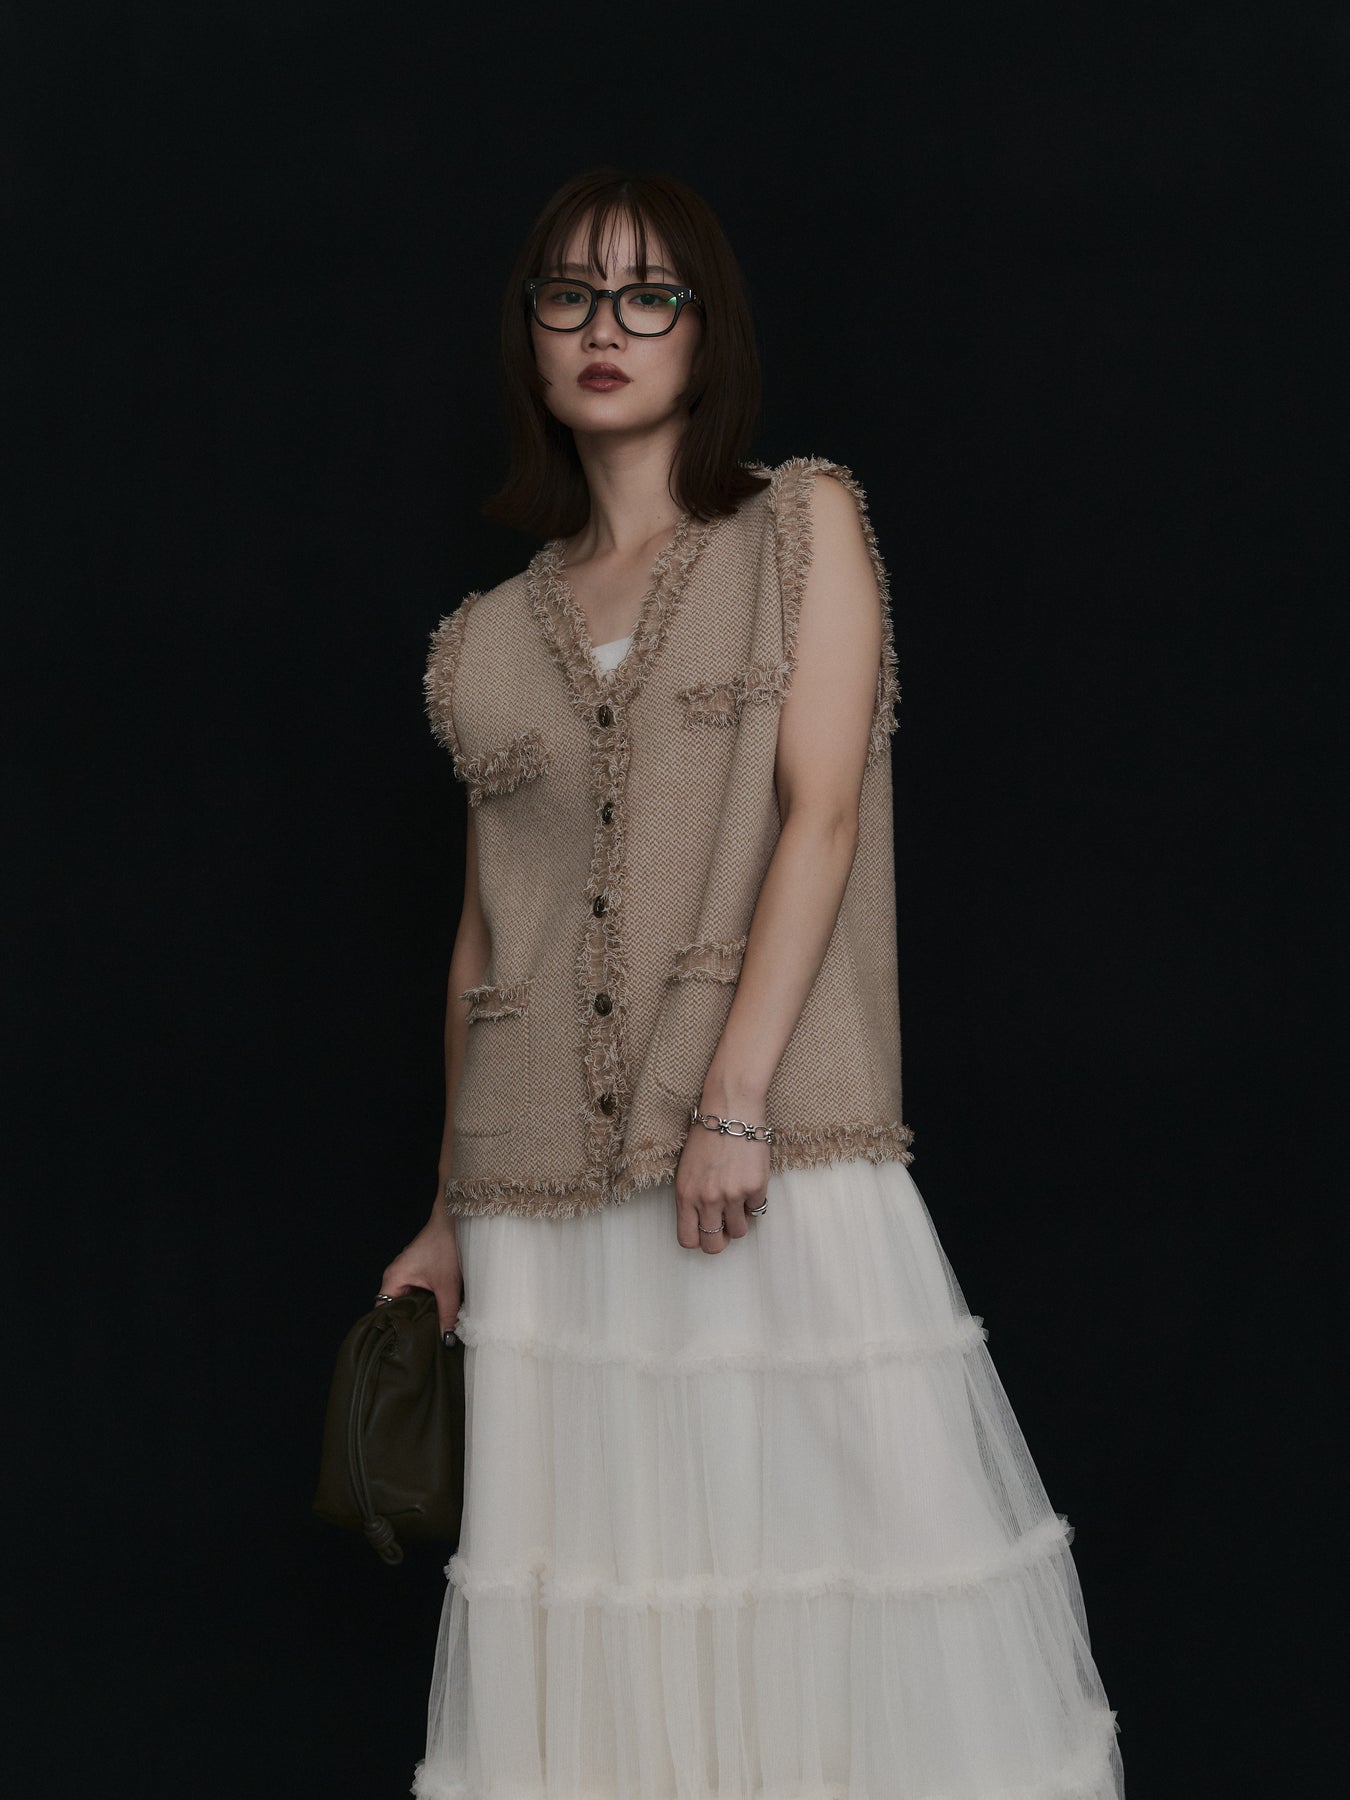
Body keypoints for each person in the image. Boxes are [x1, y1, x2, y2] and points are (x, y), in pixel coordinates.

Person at [378, 168, 1126, 1800]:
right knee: (606, 1592)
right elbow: (485, 941)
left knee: (845, 1554)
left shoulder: (797, 524)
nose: (605, 325)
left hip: (757, 1137)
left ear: (704, 335)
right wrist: (443, 1214)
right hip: (535, 1192)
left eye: (649, 293)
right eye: (569, 293)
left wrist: (733, 1101)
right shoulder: (481, 637)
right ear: (529, 336)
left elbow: (823, 812)